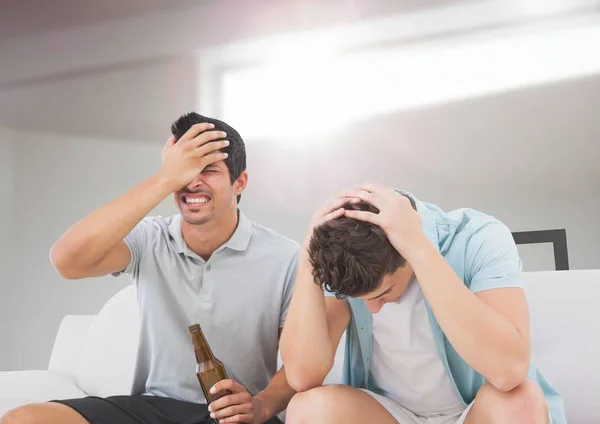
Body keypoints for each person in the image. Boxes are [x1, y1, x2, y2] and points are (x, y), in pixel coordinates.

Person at [1, 113, 299, 424]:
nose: (193, 181)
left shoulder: (284, 256)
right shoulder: (150, 238)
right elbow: (66, 260)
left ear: (240, 182)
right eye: (185, 169)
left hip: (235, 413)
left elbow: (299, 362)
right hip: (154, 407)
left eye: (208, 170)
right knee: (25, 419)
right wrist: (164, 179)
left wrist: (262, 405)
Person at [280, 183, 566, 424]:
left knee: (520, 402)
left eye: (384, 292)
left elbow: (509, 371)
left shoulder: (478, 236)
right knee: (307, 410)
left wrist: (420, 249)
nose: (373, 309)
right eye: (362, 301)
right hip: (393, 415)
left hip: (476, 411)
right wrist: (309, 255)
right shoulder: (348, 260)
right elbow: (302, 376)